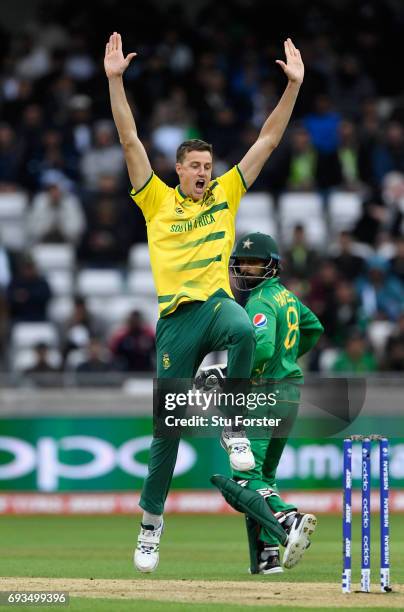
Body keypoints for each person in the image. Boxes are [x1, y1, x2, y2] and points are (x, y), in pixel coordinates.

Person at [104, 31, 305, 573]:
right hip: (175, 324)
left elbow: (266, 140)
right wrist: (115, 80)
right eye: (195, 167)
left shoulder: (226, 195)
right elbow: (129, 141)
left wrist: (293, 89)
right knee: (165, 433)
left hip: (215, 309)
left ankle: (232, 420)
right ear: (180, 170)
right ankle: (150, 529)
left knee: (241, 326)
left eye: (208, 167)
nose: (204, 174)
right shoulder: (156, 200)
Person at [228, 231, 324, 573]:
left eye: (255, 263)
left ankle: (287, 518)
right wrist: (289, 359)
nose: (247, 269)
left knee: (244, 477)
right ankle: (267, 557)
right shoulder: (288, 297)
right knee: (264, 475)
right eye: (243, 262)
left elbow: (264, 347)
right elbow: (313, 328)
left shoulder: (258, 302)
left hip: (264, 392)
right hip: (290, 392)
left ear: (272, 266)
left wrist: (235, 373)